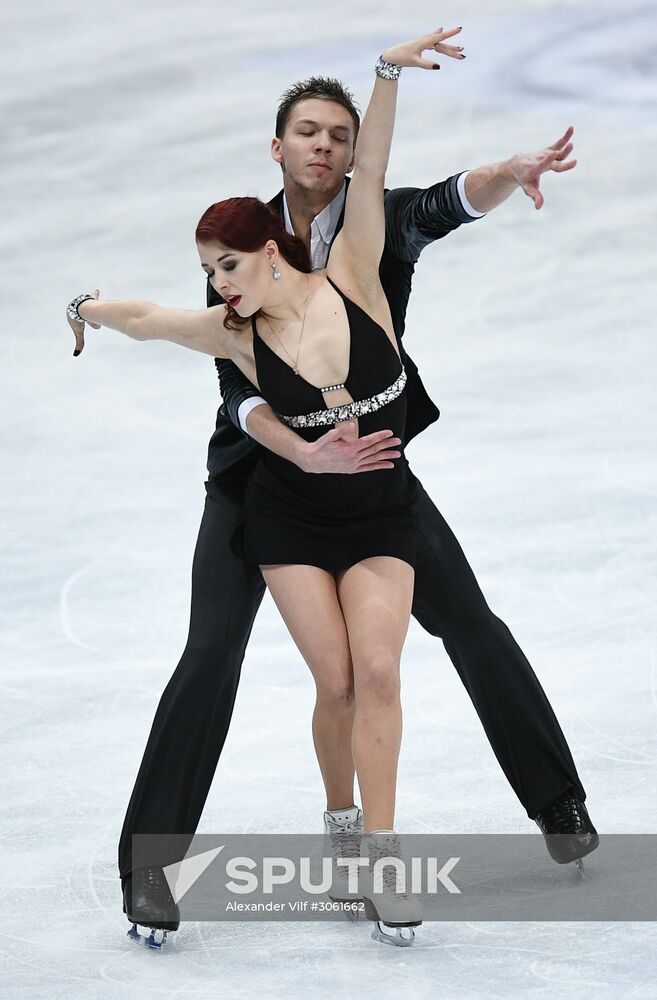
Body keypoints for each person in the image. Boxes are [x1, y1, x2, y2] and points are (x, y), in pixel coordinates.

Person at [69, 29, 597, 947]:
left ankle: (557, 805)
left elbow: (443, 200)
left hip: (372, 479)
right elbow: (227, 381)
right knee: (209, 656)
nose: (323, 146)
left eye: (337, 136)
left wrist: (508, 170)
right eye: (305, 133)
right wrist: (296, 449)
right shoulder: (238, 254)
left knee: (468, 623)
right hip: (258, 487)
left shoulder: (367, 232)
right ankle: (150, 872)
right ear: (277, 148)